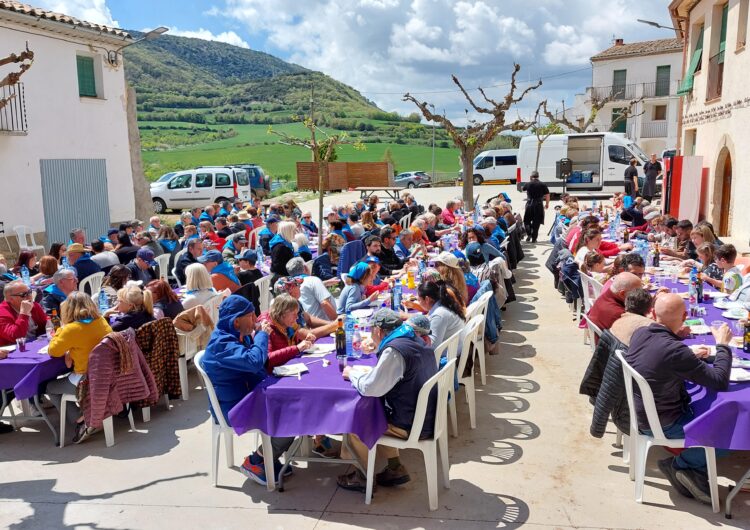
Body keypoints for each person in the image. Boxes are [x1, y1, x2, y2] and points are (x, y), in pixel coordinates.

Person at [625, 293, 732, 504]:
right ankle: (681, 464)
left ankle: (692, 469)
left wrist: (677, 337)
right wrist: (723, 345)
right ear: (684, 316)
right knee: (731, 430)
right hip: (663, 422)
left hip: (641, 413)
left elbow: (661, 354)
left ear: (653, 314)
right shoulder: (676, 352)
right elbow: (719, 380)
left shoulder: (641, 333)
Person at [201, 295, 298, 486]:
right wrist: (262, 335)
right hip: (234, 409)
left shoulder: (237, 336)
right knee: (292, 416)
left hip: (246, 399)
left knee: (293, 405)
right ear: (236, 321)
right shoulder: (221, 344)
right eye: (252, 317)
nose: (256, 321)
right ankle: (256, 461)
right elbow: (254, 362)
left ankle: (269, 457)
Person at [337, 308, 438, 492]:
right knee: (376, 410)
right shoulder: (414, 339)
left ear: (378, 330)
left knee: (355, 419)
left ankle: (361, 476)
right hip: (427, 418)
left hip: (410, 425)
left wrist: (352, 374)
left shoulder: (394, 351)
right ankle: (394, 467)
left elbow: (370, 389)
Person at [47, 291, 112, 444]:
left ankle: (79, 419)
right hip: (108, 375)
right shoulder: (101, 321)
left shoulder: (70, 329)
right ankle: (86, 415)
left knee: (49, 387)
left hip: (86, 380)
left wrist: (61, 329)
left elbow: (53, 351)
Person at [405, 280, 466, 347]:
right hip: (455, 346)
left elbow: (432, 345)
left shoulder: (439, 315)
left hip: (451, 353)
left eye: (419, 300)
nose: (418, 303)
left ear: (427, 299)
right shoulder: (443, 304)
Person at [286, 257, 337, 321]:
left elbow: (306, 288)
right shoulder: (313, 280)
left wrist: (324, 283)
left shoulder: (289, 286)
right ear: (305, 268)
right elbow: (325, 303)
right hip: (322, 325)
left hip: (305, 324)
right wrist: (338, 323)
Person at [0, 280, 47, 345]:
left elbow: (46, 327)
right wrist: (24, 313)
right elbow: (16, 337)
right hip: (13, 349)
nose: (29, 296)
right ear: (10, 299)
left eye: (29, 292)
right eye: (23, 294)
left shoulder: (34, 306)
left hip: (36, 344)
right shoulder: (2, 312)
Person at [522, 171, 550, 243]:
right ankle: (534, 238)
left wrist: (530, 181)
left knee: (527, 221)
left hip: (529, 204)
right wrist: (547, 204)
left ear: (531, 176)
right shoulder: (543, 184)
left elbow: (523, 189)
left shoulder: (528, 184)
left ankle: (529, 234)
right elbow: (547, 195)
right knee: (536, 222)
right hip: (539, 204)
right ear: (538, 176)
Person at [268, 221, 296, 285]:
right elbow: (278, 268)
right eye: (293, 231)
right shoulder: (281, 247)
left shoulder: (285, 243)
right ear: (288, 232)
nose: (295, 233)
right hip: (281, 280)